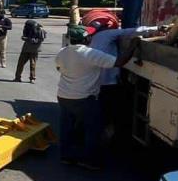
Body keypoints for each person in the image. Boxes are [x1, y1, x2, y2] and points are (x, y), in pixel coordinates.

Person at [55, 25, 136, 170]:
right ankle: (90, 160)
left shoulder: (63, 52)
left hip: (63, 96)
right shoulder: (90, 54)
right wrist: (133, 46)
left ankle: (66, 156)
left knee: (67, 127)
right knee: (93, 129)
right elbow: (119, 62)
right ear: (87, 38)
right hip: (84, 98)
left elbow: (58, 68)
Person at [89, 23, 166, 146]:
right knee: (112, 112)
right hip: (109, 82)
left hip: (98, 83)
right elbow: (131, 31)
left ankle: (101, 136)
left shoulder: (94, 39)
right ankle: (107, 139)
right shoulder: (107, 34)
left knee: (103, 111)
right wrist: (157, 28)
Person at [13, 19, 46, 83]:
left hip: (34, 49)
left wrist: (31, 40)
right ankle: (17, 77)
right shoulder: (27, 29)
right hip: (26, 48)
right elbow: (24, 35)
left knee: (32, 64)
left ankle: (32, 78)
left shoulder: (40, 30)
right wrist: (24, 38)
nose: (26, 27)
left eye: (28, 26)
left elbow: (40, 40)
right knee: (20, 63)